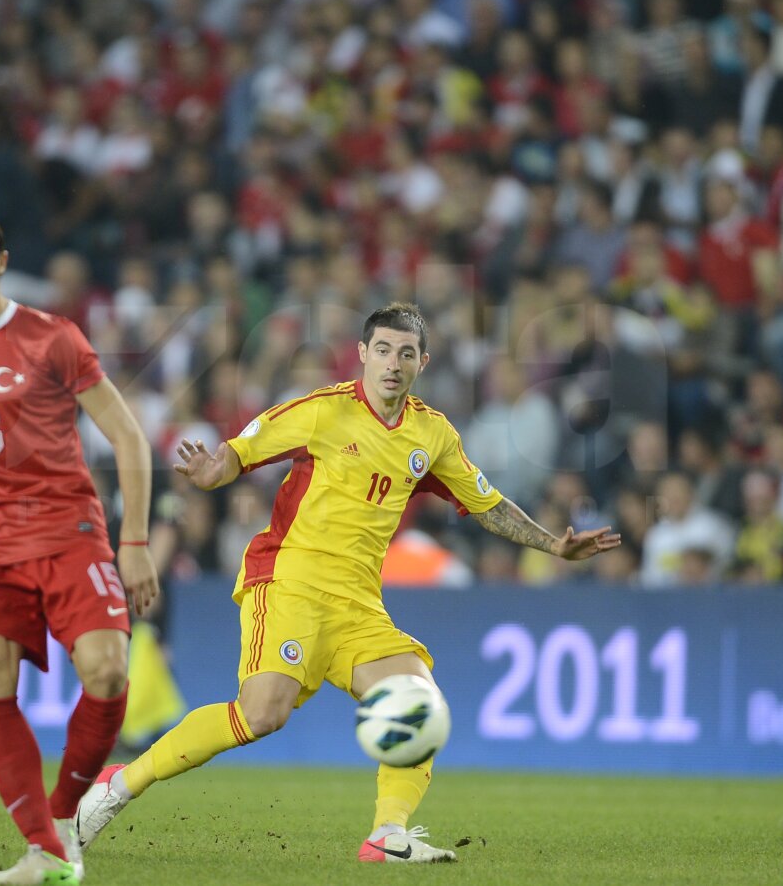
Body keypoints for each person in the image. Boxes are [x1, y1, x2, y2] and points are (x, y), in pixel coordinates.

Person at [75, 302, 620, 864]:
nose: (392, 363)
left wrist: (553, 543)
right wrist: (216, 470)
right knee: (262, 714)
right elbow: (239, 452)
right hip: (289, 580)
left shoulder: (432, 434)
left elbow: (487, 505)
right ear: (362, 354)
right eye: (382, 350)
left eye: (405, 353)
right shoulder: (323, 411)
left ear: (422, 362)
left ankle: (387, 835)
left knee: (418, 699)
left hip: (359, 604)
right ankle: (120, 784)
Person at [0, 204, 159, 886]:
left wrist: (132, 540)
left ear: (3, 261)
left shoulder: (53, 337)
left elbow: (129, 437)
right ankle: (43, 851)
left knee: (108, 671)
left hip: (68, 532)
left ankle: (65, 815)